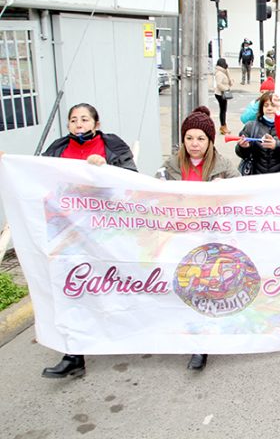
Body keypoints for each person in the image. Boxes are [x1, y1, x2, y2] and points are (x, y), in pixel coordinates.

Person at [38, 103, 137, 378]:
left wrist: (105, 169)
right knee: (73, 290)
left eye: (84, 119)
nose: (79, 124)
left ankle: (128, 333)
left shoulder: (113, 147)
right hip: (70, 233)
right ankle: (73, 355)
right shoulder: (57, 150)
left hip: (108, 233)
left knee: (115, 286)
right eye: (73, 120)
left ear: (96, 122)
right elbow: (39, 179)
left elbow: (132, 182)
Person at [159, 106, 239, 371]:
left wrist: (225, 191)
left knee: (203, 289)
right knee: (183, 287)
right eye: (190, 138)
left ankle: (200, 347)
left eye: (201, 139)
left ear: (210, 141)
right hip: (181, 236)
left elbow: (243, 195)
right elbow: (153, 196)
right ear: (183, 140)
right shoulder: (170, 166)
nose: (195, 144)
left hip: (211, 237)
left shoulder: (224, 167)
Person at [235, 92, 280, 175]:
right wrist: (243, 147)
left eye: (273, 105)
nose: (269, 108)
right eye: (266, 105)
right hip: (256, 177)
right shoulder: (251, 126)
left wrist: (277, 145)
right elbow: (242, 154)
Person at [214, 57, 233, 134]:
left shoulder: (224, 72)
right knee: (223, 110)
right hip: (220, 94)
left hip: (223, 93)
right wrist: (226, 89)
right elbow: (219, 84)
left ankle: (224, 126)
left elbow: (230, 81)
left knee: (223, 110)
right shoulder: (219, 73)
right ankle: (223, 126)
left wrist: (227, 72)